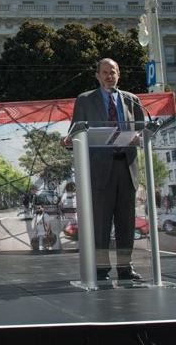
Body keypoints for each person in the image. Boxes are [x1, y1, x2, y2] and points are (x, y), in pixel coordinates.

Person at [67, 58, 145, 281]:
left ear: (119, 74)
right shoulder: (85, 100)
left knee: (126, 221)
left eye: (113, 72)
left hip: (127, 167)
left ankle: (125, 267)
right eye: (105, 72)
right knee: (100, 221)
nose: (109, 76)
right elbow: (77, 131)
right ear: (97, 75)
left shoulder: (133, 101)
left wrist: (139, 137)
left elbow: (141, 131)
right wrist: (71, 140)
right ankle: (101, 267)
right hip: (100, 170)